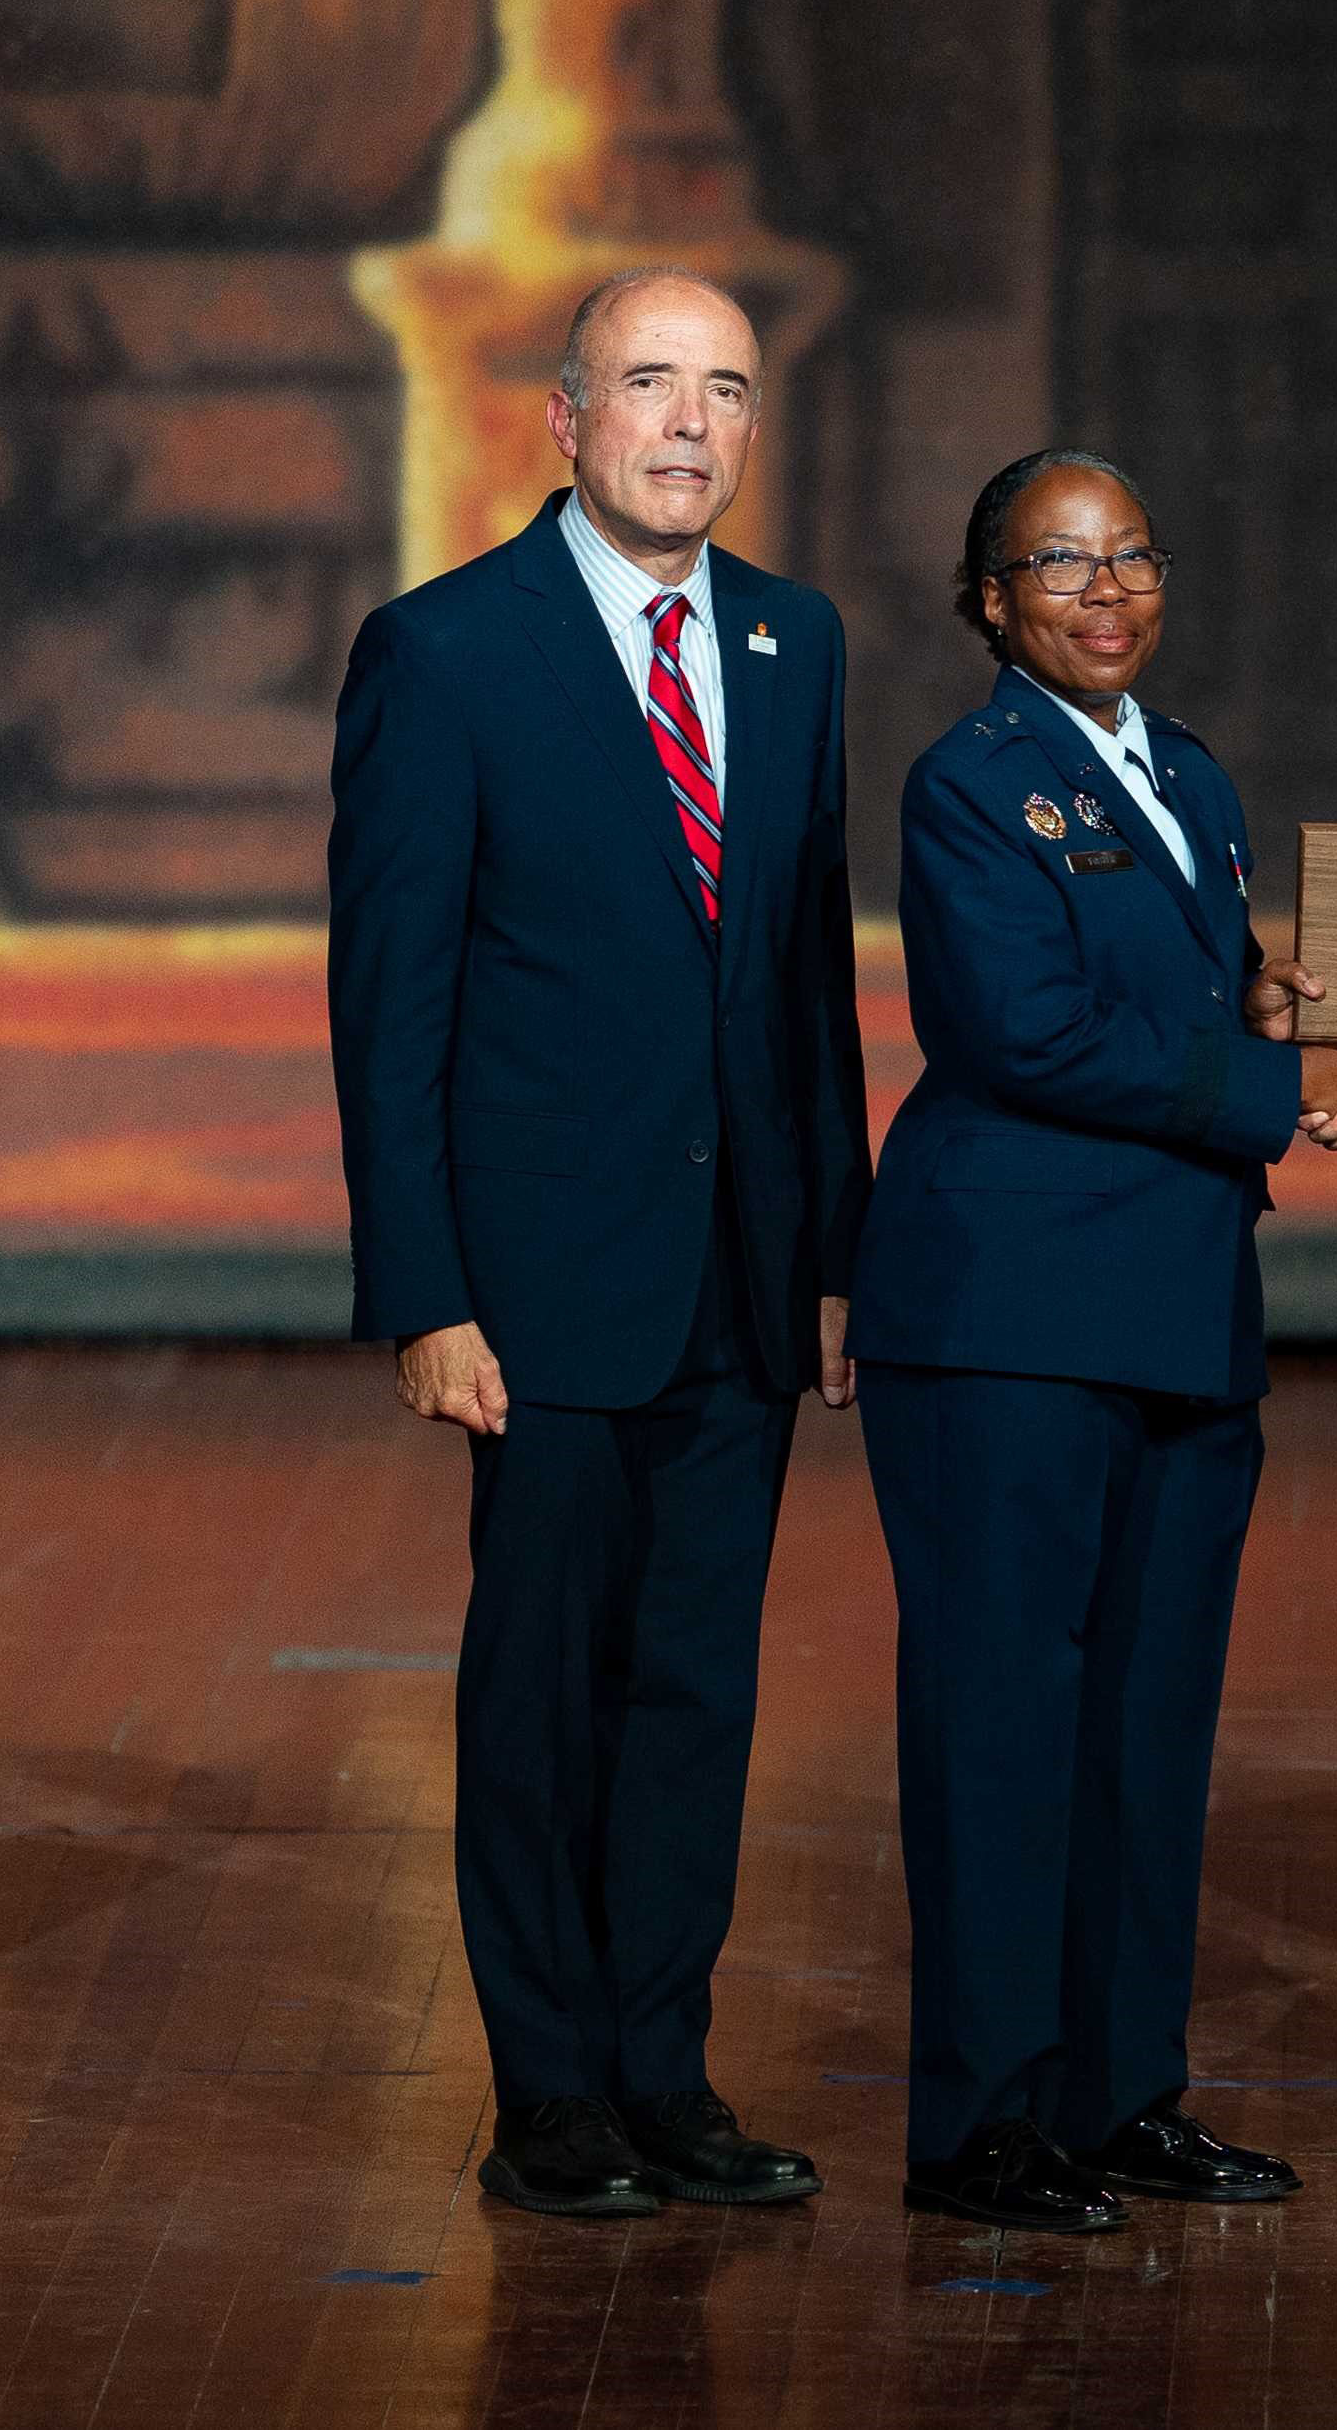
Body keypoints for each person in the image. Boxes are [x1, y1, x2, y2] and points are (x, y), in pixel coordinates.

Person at [328, 266, 869, 2217]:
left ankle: (667, 2078)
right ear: (565, 416)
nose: (690, 422)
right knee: (543, 1689)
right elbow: (387, 1005)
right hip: (539, 1290)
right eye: (650, 381)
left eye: (725, 387)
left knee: (694, 1692)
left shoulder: (798, 646)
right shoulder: (446, 651)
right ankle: (549, 2091)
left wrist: (831, 1250)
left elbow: (805, 979)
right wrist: (424, 1292)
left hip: (744, 1287)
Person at [849, 451, 1337, 2233]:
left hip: (1175, 1309)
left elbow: (1200, 996)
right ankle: (982, 2126)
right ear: (990, 602)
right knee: (1005, 1725)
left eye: (1134, 559)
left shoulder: (1191, 777)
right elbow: (1027, 1035)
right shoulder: (968, 785)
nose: (1106, 593)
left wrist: (1312, 1020)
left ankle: (1121, 2095)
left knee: (1148, 1728)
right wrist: (1276, 1081)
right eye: (1060, 566)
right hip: (1008, 1314)